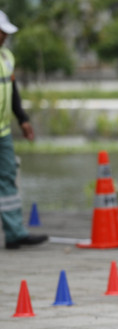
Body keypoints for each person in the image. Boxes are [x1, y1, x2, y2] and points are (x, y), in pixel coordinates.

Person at [0, 11, 46, 250]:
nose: (5, 36)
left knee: (8, 179)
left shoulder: (6, 57)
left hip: (2, 132)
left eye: (6, 32)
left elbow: (12, 91)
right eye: (2, 31)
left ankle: (15, 233)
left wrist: (23, 119)